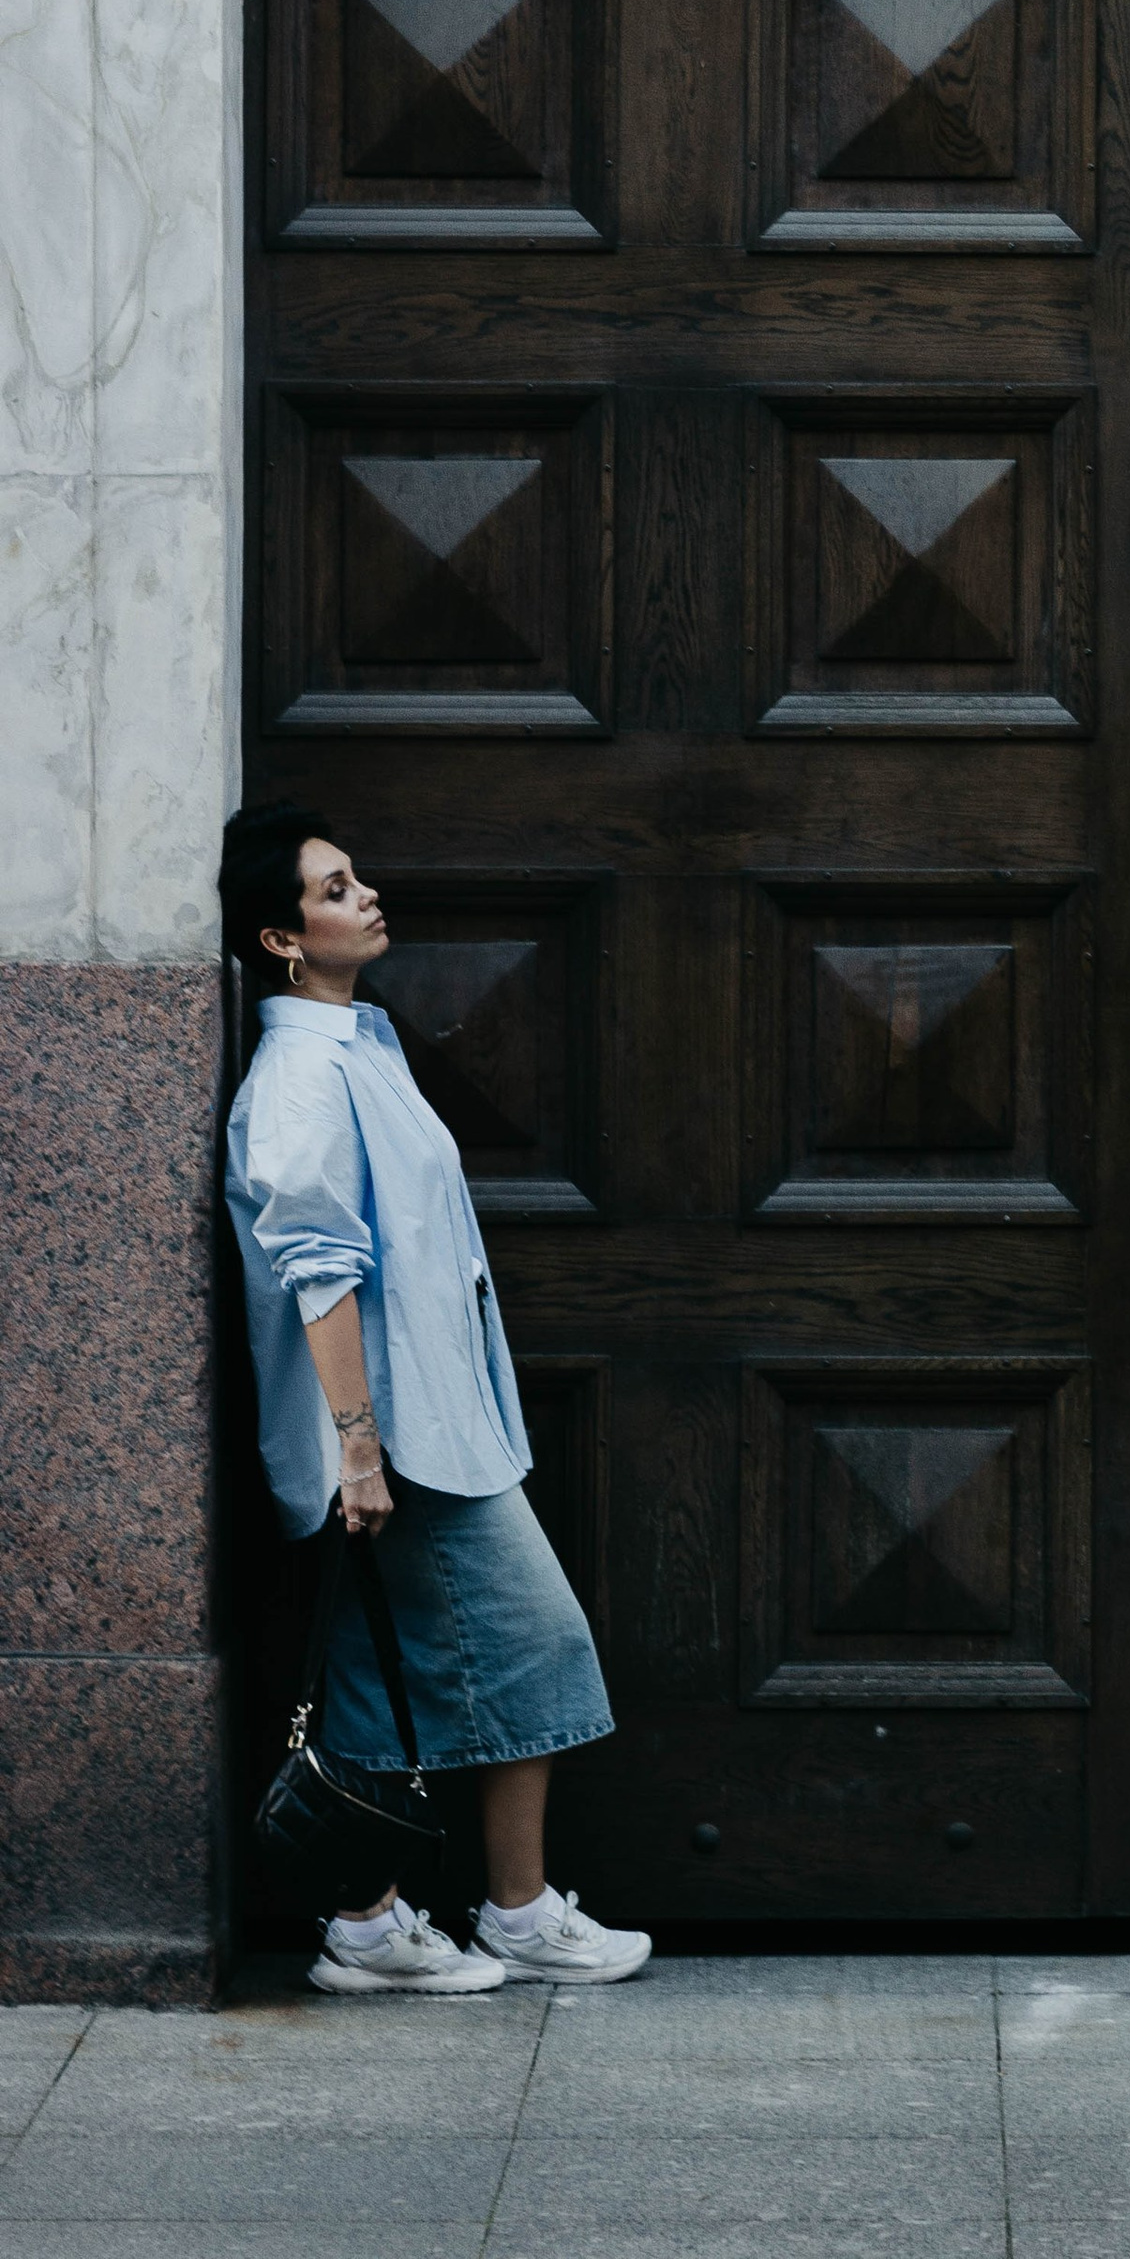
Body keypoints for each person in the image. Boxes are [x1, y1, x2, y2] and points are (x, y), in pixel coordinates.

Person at [221, 800, 652, 1997]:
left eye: (355, 879)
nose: (363, 895)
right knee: (544, 1647)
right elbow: (319, 1270)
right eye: (332, 888)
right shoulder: (301, 1076)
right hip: (400, 1443)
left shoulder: (361, 1044)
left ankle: (370, 1927)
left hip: (436, 1425)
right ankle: (511, 1913)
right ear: (282, 940)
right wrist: (359, 1450)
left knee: (372, 1675)